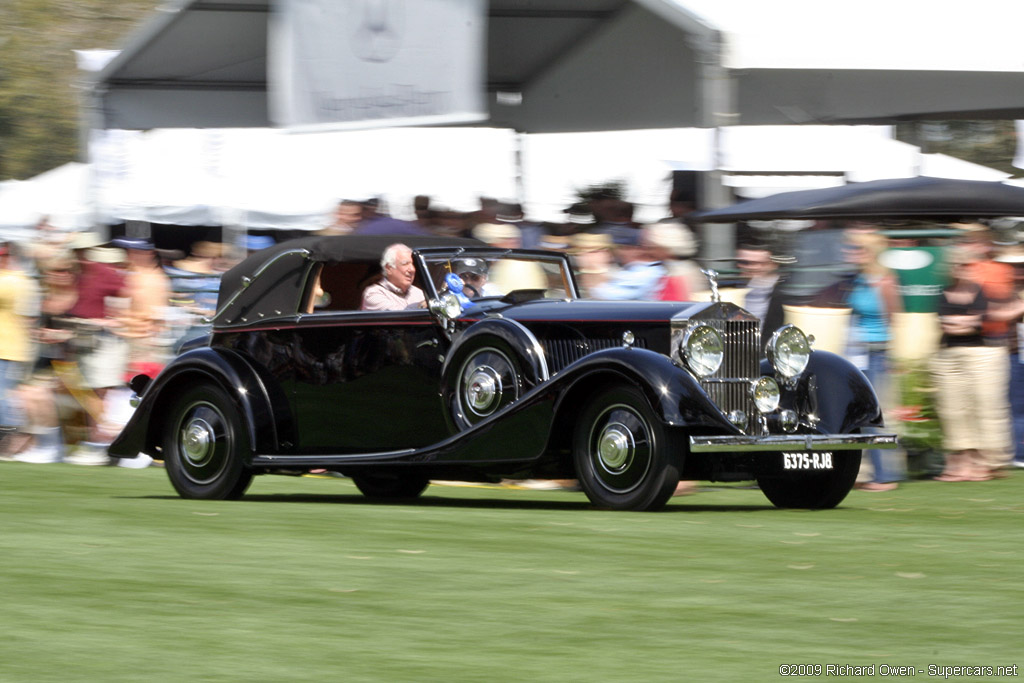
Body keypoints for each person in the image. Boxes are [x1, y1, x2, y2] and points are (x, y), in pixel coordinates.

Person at [736, 242, 786, 350]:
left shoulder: (781, 293)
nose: (748, 267)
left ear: (771, 264)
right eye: (743, 262)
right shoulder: (737, 289)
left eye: (755, 263)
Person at [360, 243, 425, 311]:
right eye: (405, 264)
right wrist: (421, 306)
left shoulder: (419, 293)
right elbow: (399, 316)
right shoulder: (372, 293)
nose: (412, 269)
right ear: (389, 268)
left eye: (413, 264)